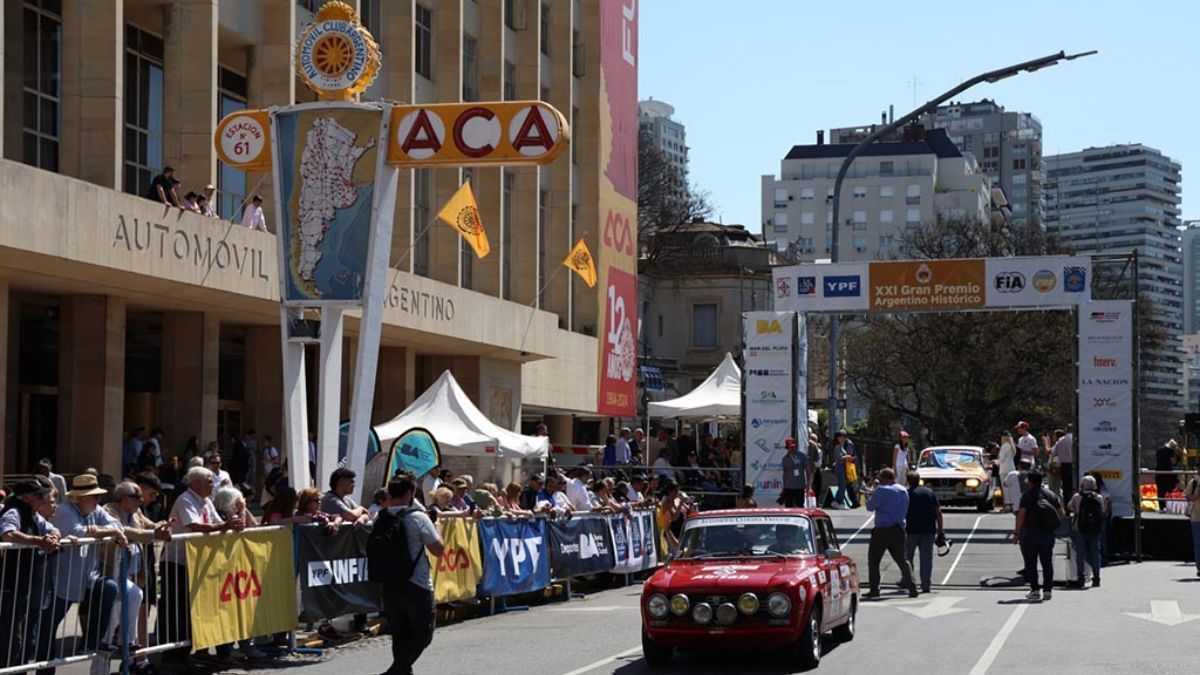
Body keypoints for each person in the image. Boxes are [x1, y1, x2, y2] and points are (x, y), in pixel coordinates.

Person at [160, 467, 243, 667]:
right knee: (178, 610)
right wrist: (225, 526)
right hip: (178, 561)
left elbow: (216, 522)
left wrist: (232, 522)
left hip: (197, 563)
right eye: (209, 481)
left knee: (193, 609)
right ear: (196, 483)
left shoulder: (206, 501)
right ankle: (173, 656)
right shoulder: (185, 500)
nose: (213, 484)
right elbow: (195, 526)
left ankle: (190, 652)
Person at [46, 475, 127, 661]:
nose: (98, 499)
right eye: (94, 496)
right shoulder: (65, 510)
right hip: (62, 580)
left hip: (88, 576)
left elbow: (116, 525)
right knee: (49, 627)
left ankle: (92, 642)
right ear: (79, 498)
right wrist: (108, 531)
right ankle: (44, 666)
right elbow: (78, 531)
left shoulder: (95, 510)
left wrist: (106, 530)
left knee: (108, 588)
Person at [375, 477, 444, 675]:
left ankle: (401, 672)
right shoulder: (417, 518)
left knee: (400, 634)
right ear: (409, 493)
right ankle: (394, 672)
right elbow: (438, 549)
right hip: (417, 583)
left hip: (389, 583)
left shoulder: (381, 517)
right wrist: (437, 525)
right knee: (424, 633)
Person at [104, 482, 171, 673]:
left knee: (135, 597)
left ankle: (128, 648)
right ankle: (103, 665)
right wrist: (154, 533)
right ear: (125, 498)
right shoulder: (109, 510)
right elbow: (122, 530)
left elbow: (150, 525)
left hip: (132, 574)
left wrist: (163, 526)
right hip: (113, 573)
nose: (141, 501)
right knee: (108, 628)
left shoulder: (136, 512)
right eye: (137, 497)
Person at [0, 480, 60, 668]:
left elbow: (52, 528)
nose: (43, 499)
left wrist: (53, 537)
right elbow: (8, 534)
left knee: (19, 638)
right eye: (39, 495)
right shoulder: (14, 511)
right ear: (26, 497)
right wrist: (38, 541)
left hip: (23, 584)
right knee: (10, 639)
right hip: (9, 585)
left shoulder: (32, 514)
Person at [863, 468, 917, 598]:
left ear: (885, 479)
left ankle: (874, 589)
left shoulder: (881, 490)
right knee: (903, 560)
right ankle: (912, 587)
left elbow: (870, 507)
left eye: (881, 479)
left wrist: (870, 494)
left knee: (874, 560)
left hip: (882, 530)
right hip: (899, 529)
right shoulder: (903, 490)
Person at [1013, 470, 1064, 601]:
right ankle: (1047, 590)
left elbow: (1021, 515)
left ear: (1029, 482)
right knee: (1047, 563)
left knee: (1031, 563)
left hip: (1030, 535)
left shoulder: (1027, 496)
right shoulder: (1051, 495)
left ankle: (1035, 590)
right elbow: (1061, 513)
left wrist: (1016, 533)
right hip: (1047, 534)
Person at [904, 471, 943, 594]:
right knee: (926, 558)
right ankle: (926, 584)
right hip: (928, 530)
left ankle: (909, 582)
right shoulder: (929, 493)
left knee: (908, 557)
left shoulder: (906, 494)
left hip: (911, 531)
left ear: (908, 481)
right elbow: (938, 512)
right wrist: (940, 530)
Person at [1066, 475, 1104, 589]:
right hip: (1095, 530)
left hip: (1080, 529)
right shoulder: (1099, 497)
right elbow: (1102, 510)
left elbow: (1069, 506)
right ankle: (1096, 578)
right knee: (1095, 553)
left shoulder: (1077, 496)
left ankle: (1081, 577)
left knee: (1080, 554)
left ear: (1082, 485)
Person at [780, 437, 810, 508]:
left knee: (800, 505)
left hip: (800, 486)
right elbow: (785, 473)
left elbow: (807, 470)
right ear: (787, 448)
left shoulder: (802, 456)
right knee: (788, 506)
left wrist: (808, 483)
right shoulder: (785, 459)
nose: (792, 449)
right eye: (790, 447)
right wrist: (784, 486)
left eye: (793, 447)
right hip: (789, 486)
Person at [1049, 429, 1075, 501]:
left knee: (1066, 486)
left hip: (1064, 465)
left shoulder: (1060, 440)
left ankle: (1067, 504)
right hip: (1074, 464)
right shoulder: (1074, 439)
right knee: (1074, 485)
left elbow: (1054, 454)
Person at [1155, 440, 1180, 510]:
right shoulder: (1171, 451)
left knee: (1160, 491)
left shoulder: (1159, 451)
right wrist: (1175, 452)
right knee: (1171, 490)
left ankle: (1161, 507)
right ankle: (1170, 507)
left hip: (1159, 474)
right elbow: (1173, 462)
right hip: (1168, 474)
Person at [1184, 471, 1200, 578]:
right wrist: (1196, 496)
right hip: (1196, 517)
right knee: (1198, 544)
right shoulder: (1194, 481)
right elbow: (1187, 496)